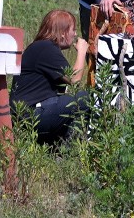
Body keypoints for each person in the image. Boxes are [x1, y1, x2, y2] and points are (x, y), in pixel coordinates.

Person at [11, 9, 89, 145]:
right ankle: (68, 147)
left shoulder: (40, 47)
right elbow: (74, 79)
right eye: (73, 30)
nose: (75, 34)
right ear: (63, 33)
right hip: (31, 114)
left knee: (70, 102)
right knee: (85, 97)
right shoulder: (46, 48)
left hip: (25, 115)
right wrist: (82, 52)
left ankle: (58, 147)